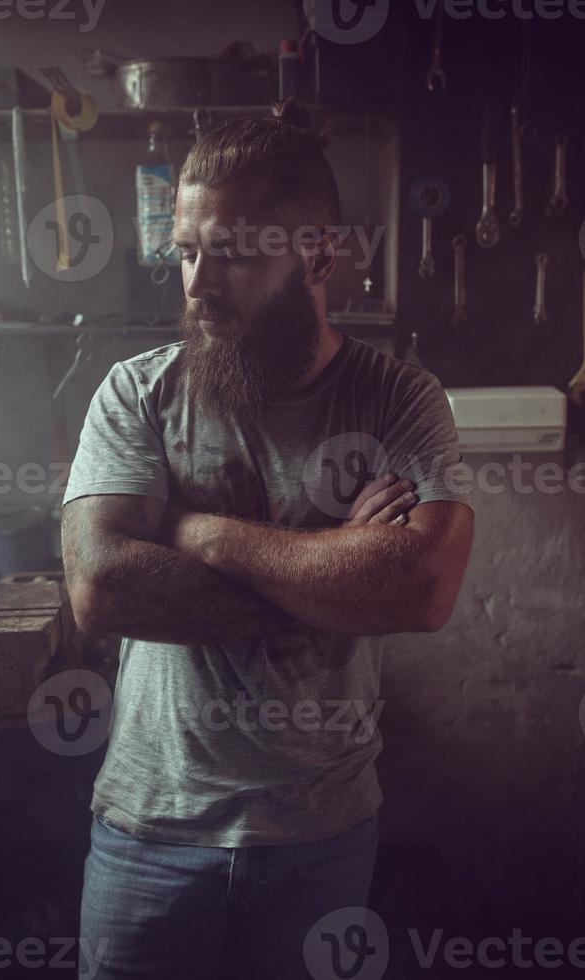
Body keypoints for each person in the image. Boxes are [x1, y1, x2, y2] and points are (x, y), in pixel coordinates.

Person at [62, 96, 475, 980]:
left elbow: (418, 589)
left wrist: (193, 529)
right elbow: (102, 590)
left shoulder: (397, 400)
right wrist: (332, 561)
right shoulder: (137, 394)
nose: (199, 283)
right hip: (150, 829)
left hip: (319, 834)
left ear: (318, 254)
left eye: (235, 255)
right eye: (187, 252)